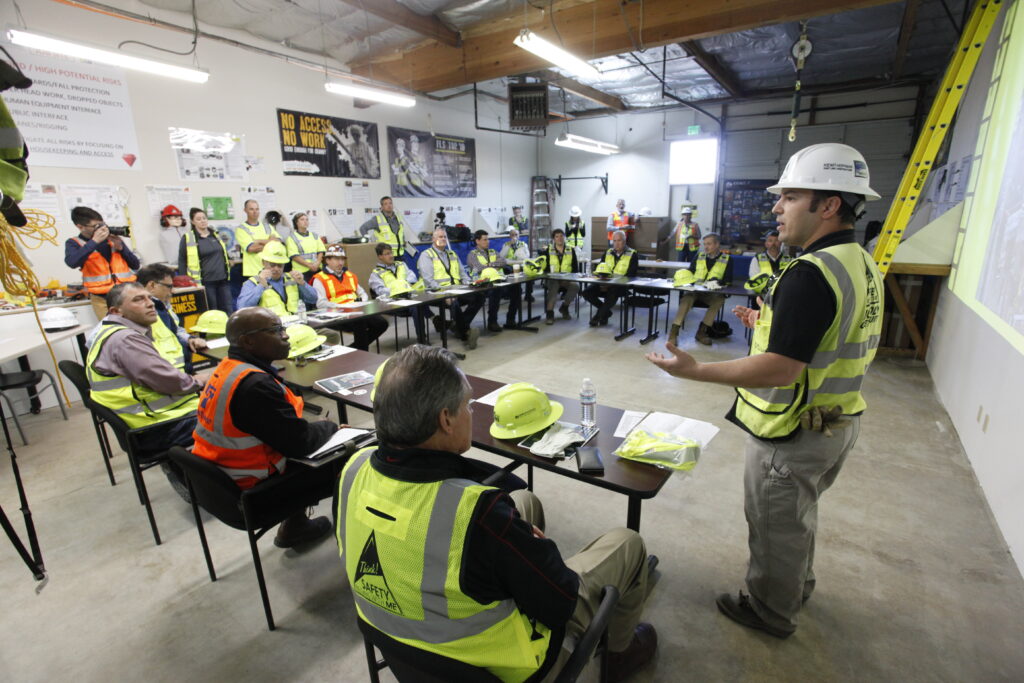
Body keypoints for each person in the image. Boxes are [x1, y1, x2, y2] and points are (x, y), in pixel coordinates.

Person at [646, 142, 884, 639]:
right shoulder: (860, 262)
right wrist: (768, 324)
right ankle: (797, 587)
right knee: (798, 517)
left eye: (790, 197)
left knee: (776, 525)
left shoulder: (811, 274)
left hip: (793, 430)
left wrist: (694, 371)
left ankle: (771, 611)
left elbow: (780, 369)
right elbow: (829, 334)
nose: (777, 207)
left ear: (829, 204)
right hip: (837, 419)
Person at [336, 345, 657, 682]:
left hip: (400, 648)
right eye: (467, 406)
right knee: (627, 543)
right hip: (502, 667)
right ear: (446, 420)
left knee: (524, 500)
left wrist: (513, 539)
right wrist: (541, 552)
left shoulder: (353, 470)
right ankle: (620, 655)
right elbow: (560, 602)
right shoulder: (479, 514)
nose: (471, 412)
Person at [192, 307, 345, 548]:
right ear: (248, 341)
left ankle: (295, 524)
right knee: (351, 452)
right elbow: (301, 443)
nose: (285, 335)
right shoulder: (254, 386)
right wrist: (331, 428)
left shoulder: (229, 368)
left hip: (220, 479)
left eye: (283, 328)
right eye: (275, 330)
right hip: (254, 491)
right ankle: (349, 537)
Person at [85, 282, 203, 495]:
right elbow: (177, 384)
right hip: (157, 427)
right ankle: (220, 487)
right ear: (116, 311)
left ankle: (189, 473)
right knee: (237, 412)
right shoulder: (125, 340)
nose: (150, 304)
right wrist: (206, 379)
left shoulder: (110, 330)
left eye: (149, 298)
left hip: (146, 421)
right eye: (138, 300)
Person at [64, 206, 139, 319]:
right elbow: (72, 262)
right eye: (95, 226)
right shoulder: (75, 243)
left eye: (102, 224)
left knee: (136, 326)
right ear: (80, 227)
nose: (101, 228)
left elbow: (135, 264)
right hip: (101, 298)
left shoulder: (111, 239)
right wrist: (94, 242)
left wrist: (122, 249)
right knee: (112, 328)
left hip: (126, 293)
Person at [311, 245, 388, 351]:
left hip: (355, 311)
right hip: (336, 315)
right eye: (336, 259)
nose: (340, 262)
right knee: (360, 323)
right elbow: (321, 303)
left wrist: (358, 303)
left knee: (381, 323)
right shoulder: (319, 278)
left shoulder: (349, 275)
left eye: (342, 259)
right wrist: (343, 306)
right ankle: (362, 351)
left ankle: (353, 350)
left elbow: (363, 294)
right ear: (327, 260)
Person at [417, 227, 484, 350]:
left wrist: (469, 285)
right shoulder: (426, 255)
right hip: (437, 293)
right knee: (453, 302)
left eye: (444, 237)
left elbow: (463, 273)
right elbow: (428, 280)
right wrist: (444, 293)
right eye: (440, 237)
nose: (443, 239)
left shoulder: (452, 254)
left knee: (479, 296)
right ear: (433, 239)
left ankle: (458, 327)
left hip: (457, 289)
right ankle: (465, 333)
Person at [136, 263, 208, 373]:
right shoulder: (140, 313)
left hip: (180, 371)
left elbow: (175, 331)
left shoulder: (163, 305)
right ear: (152, 285)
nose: (173, 290)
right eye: (169, 286)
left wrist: (189, 339)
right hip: (168, 374)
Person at [668, 233, 732, 346]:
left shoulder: (727, 259)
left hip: (711, 293)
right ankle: (673, 333)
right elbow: (690, 272)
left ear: (717, 244)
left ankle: (701, 332)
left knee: (720, 300)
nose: (706, 247)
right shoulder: (699, 256)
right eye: (704, 244)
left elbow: (728, 280)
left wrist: (717, 281)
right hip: (695, 291)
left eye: (709, 244)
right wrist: (682, 278)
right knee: (686, 299)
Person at [368, 242, 430, 344]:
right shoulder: (376, 274)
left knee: (422, 301)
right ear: (380, 257)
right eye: (387, 254)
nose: (391, 256)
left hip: (407, 297)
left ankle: (435, 322)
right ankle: (423, 339)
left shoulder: (401, 264)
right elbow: (380, 291)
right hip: (392, 303)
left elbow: (412, 277)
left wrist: (401, 285)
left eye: (391, 253)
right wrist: (399, 287)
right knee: (416, 307)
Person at [236, 242, 318, 315]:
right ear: (263, 262)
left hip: (296, 322)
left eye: (280, 265)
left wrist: (302, 284)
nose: (276, 268)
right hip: (271, 325)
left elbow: (313, 299)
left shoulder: (292, 279)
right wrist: (261, 285)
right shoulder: (253, 283)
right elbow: (242, 308)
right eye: (272, 265)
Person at [179, 208, 232, 313]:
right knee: (212, 311)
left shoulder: (216, 234)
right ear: (192, 222)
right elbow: (182, 260)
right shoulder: (188, 238)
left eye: (204, 218)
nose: (202, 221)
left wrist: (229, 260)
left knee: (228, 309)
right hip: (205, 282)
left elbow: (222, 252)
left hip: (223, 280)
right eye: (198, 219)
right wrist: (184, 280)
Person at [468, 230, 520, 332]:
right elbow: (478, 268)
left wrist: (489, 265)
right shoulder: (472, 254)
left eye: (488, 239)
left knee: (516, 288)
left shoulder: (493, 251)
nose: (488, 242)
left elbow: (503, 262)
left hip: (499, 281)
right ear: (477, 241)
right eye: (485, 240)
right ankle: (492, 321)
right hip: (484, 285)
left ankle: (510, 319)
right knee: (496, 291)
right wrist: (495, 266)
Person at [583, 229, 637, 327]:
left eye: (619, 240)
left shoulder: (632, 254)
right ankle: (606, 312)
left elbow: (631, 275)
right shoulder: (608, 252)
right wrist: (602, 282)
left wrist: (610, 284)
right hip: (605, 282)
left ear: (624, 241)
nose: (616, 243)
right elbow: (600, 269)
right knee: (586, 292)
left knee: (612, 292)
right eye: (614, 241)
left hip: (621, 285)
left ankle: (598, 316)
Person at [359, 195, 415, 263]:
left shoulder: (398, 217)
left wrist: (403, 241)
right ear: (382, 207)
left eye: (390, 203)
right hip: (386, 257)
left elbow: (401, 233)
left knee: (403, 270)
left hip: (400, 255)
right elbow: (363, 228)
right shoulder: (377, 219)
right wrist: (368, 242)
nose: (389, 205)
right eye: (386, 204)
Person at [235, 199, 282, 279]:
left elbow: (279, 242)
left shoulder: (267, 226)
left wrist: (259, 241)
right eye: (251, 209)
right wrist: (270, 242)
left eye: (257, 209)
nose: (255, 212)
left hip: (271, 270)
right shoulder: (241, 229)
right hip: (254, 271)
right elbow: (251, 248)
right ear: (245, 210)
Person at [544, 228, 580, 325]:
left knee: (576, 286)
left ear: (564, 237)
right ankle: (549, 313)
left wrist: (569, 279)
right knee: (554, 285)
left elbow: (575, 269)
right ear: (554, 239)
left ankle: (564, 307)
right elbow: (544, 268)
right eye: (557, 236)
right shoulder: (548, 250)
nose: (559, 238)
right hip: (552, 279)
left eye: (561, 236)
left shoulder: (570, 250)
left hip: (567, 279)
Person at [746, 229, 792, 296]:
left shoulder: (790, 260)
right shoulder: (757, 259)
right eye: (770, 241)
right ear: (766, 244)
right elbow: (754, 279)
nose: (773, 244)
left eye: (776, 240)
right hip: (762, 295)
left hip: (783, 295)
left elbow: (792, 279)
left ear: (781, 243)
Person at [286, 212, 325, 281]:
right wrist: (309, 265)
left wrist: (318, 263)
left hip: (317, 268)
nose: (305, 221)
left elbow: (321, 251)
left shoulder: (314, 235)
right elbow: (294, 256)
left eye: (307, 219)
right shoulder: (292, 238)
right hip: (302, 272)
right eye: (302, 219)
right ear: (296, 223)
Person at [500, 226, 535, 304]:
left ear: (519, 236)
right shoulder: (506, 244)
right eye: (512, 235)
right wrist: (509, 246)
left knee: (530, 272)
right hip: (510, 265)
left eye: (516, 235)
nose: (514, 236)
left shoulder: (523, 244)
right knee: (506, 270)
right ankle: (510, 293)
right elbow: (501, 256)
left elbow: (527, 256)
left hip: (520, 264)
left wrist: (520, 253)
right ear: (510, 236)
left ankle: (528, 294)